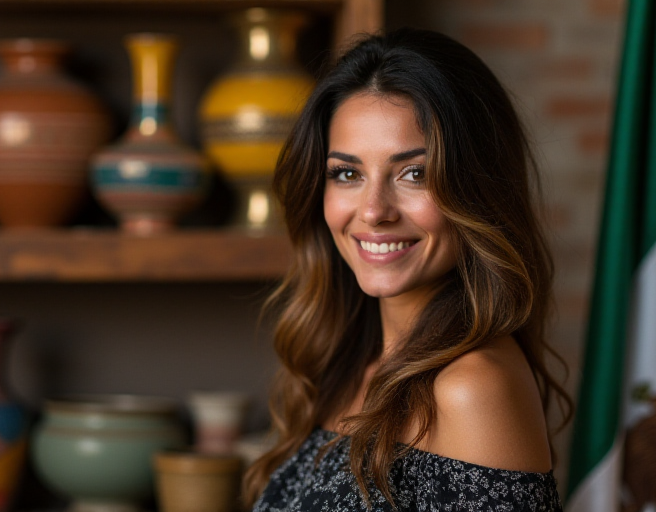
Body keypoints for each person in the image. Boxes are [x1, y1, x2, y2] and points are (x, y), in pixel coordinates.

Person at [243, 27, 574, 511]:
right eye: (347, 173)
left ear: (478, 189)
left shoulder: (473, 388)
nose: (374, 210)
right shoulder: (344, 362)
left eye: (414, 173)